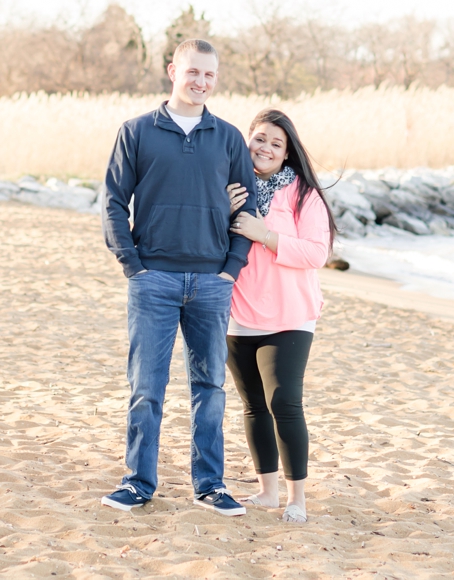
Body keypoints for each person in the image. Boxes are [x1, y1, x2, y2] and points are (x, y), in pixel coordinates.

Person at [99, 39, 259, 516]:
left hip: (211, 282)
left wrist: (231, 269)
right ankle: (138, 483)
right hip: (154, 280)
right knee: (146, 388)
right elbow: (111, 201)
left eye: (209, 75)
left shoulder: (229, 137)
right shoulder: (137, 131)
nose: (201, 82)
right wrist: (133, 264)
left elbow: (248, 208)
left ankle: (210, 484)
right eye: (193, 72)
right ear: (173, 70)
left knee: (209, 389)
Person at [223, 108, 335, 523]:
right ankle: (266, 492)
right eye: (260, 139)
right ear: (246, 141)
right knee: (253, 405)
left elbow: (315, 253)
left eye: (276, 143)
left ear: (287, 153)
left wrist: (265, 234)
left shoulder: (303, 194)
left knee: (284, 401)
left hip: (291, 314)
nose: (266, 148)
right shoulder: (230, 186)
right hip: (239, 311)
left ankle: (296, 499)